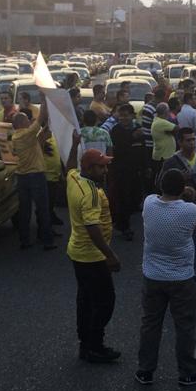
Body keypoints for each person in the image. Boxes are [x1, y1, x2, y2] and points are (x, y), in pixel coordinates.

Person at [135, 169, 196, 387]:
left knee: (150, 323)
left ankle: (145, 370)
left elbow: (154, 197)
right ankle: (187, 372)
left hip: (153, 275)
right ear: (183, 188)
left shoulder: (148, 204)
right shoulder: (190, 210)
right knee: (184, 326)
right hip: (182, 276)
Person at [65, 137, 123, 362]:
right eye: (101, 166)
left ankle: (86, 344)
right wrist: (111, 255)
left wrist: (73, 145)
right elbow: (92, 227)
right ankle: (94, 345)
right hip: (91, 256)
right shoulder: (89, 193)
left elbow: (68, 167)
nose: (106, 170)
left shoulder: (74, 177)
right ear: (88, 168)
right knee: (105, 301)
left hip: (78, 253)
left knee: (86, 299)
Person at [160, 128, 196, 304]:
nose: (192, 143)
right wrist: (179, 179)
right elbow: (159, 184)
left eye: (193, 140)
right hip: (178, 212)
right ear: (179, 142)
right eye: (187, 140)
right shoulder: (171, 162)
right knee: (179, 250)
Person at [10, 102, 55, 251]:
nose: (30, 122)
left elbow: (38, 140)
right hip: (36, 175)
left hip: (22, 176)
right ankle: (47, 240)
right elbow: (41, 117)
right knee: (43, 209)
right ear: (23, 123)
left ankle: (25, 240)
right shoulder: (27, 134)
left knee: (24, 210)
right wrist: (43, 97)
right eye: (28, 121)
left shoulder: (16, 137)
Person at [108, 104, 144, 241]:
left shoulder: (137, 129)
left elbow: (142, 148)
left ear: (132, 116)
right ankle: (124, 226)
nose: (123, 118)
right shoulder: (116, 130)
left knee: (134, 198)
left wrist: (145, 166)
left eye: (126, 115)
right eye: (121, 115)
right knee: (123, 198)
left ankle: (122, 221)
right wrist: (131, 137)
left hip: (135, 169)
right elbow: (119, 148)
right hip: (121, 169)